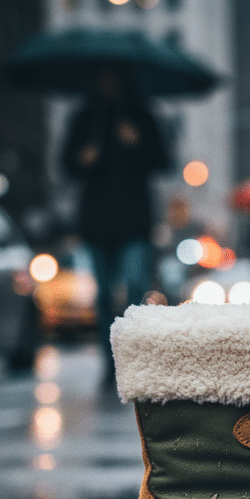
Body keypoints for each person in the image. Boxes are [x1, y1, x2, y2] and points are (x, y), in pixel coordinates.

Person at [61, 66, 170, 380]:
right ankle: (110, 362)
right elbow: (66, 163)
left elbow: (162, 160)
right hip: (96, 222)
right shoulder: (85, 119)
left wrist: (137, 142)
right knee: (104, 294)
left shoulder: (142, 116)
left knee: (135, 286)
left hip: (134, 220)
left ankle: (131, 355)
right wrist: (83, 158)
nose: (108, 84)